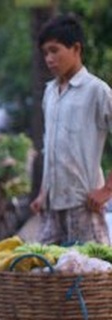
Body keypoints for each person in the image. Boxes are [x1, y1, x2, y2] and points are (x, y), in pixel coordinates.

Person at [29, 14, 112, 245]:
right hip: (52, 207)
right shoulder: (49, 93)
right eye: (45, 53)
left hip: (84, 204)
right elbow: (52, 148)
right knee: (45, 272)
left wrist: (107, 190)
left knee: (90, 275)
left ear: (76, 48)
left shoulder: (97, 91)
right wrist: (43, 193)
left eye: (54, 50)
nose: (49, 58)